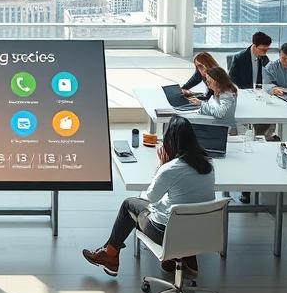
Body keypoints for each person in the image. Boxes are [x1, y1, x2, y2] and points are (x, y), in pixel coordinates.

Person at [82, 115, 215, 277]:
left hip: (168, 234)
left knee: (129, 204)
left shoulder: (171, 169)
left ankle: (110, 255)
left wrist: (161, 167)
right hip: (201, 233)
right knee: (179, 208)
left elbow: (149, 197)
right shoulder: (208, 164)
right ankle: (185, 259)